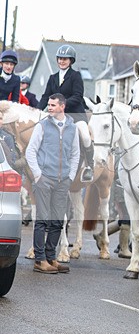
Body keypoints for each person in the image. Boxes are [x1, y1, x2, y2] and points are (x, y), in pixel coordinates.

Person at [25, 94, 79, 274]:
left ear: (62, 106)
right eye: (48, 104)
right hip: (44, 179)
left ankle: (51, 257)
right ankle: (39, 260)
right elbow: (30, 151)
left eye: (53, 105)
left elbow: (75, 154)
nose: (49, 107)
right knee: (42, 220)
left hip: (63, 180)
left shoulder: (73, 128)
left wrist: (70, 176)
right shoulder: (42, 126)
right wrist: (38, 175)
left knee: (57, 221)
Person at [39, 44, 94, 183]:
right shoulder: (52, 78)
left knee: (85, 136)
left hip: (75, 114)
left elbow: (78, 96)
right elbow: (46, 97)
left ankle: (89, 166)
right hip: (57, 115)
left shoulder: (76, 76)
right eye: (60, 59)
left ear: (71, 61)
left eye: (65, 59)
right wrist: (37, 111)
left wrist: (60, 106)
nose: (62, 61)